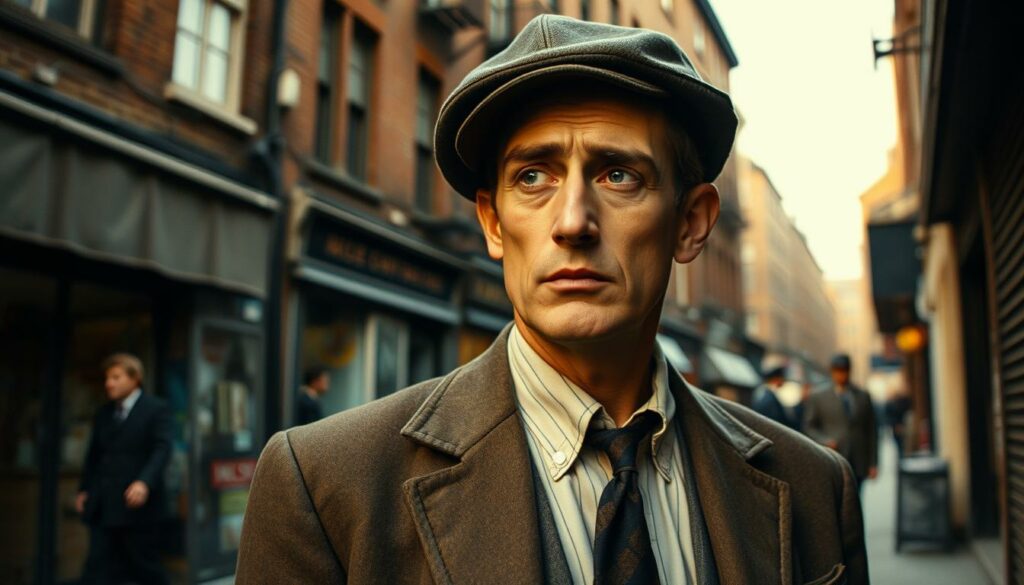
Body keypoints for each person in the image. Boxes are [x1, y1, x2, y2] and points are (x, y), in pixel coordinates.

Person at [237, 15, 868, 584]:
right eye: (532, 176)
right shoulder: (324, 487)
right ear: (492, 223)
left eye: (618, 174)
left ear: (691, 222)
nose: (572, 221)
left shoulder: (813, 485)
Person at [77, 353, 171, 585]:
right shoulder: (104, 413)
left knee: (145, 567)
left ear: (135, 378)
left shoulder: (156, 409)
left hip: (138, 506)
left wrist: (144, 482)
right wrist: (84, 489)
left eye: (116, 377)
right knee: (98, 568)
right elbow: (94, 456)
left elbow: (162, 449)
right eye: (108, 378)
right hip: (104, 504)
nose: (109, 383)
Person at [804, 354, 879, 494]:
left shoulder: (862, 396)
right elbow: (809, 427)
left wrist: (873, 463)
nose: (841, 375)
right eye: (838, 371)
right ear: (832, 372)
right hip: (833, 458)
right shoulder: (818, 396)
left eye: (844, 371)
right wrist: (824, 440)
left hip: (859, 460)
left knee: (856, 498)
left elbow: (872, 431)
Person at [751, 361, 802, 431]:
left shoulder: (768, 395)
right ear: (776, 379)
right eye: (781, 379)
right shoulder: (768, 398)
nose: (783, 382)